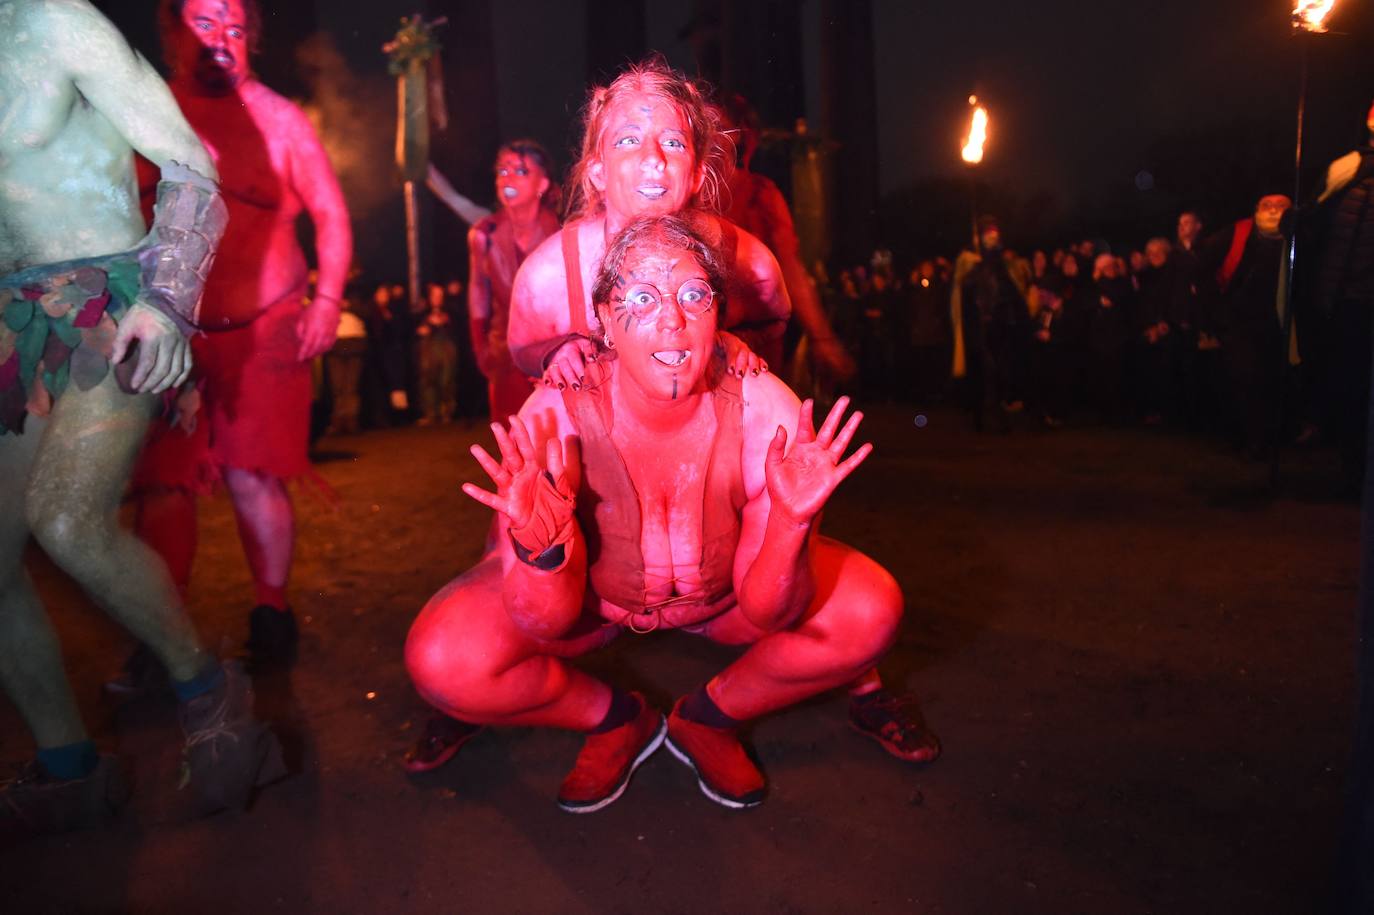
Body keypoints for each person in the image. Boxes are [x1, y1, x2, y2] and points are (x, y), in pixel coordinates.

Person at [406, 215, 937, 812]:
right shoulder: (555, 416)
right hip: (593, 610)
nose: (672, 320)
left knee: (869, 610)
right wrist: (542, 549)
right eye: (641, 298)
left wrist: (790, 524)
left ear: (718, 313)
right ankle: (615, 720)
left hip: (725, 606)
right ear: (605, 320)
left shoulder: (766, 410)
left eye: (693, 295)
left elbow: (770, 610)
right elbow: (546, 622)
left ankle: (709, 718)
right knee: (445, 658)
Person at [0, 0, 283, 830]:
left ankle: (209, 689)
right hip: (15, 326)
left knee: (66, 518)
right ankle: (69, 767)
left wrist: (165, 301)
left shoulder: (54, 21)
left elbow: (191, 164)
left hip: (114, 302)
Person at [127, 0, 353, 669]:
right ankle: (160, 631)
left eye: (234, 27)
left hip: (267, 327)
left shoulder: (280, 119)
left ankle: (271, 610)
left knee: (255, 476)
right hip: (169, 327)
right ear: (173, 32)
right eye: (205, 23)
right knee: (164, 484)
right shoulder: (144, 110)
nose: (222, 38)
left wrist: (327, 300)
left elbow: (331, 214)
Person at [505, 57, 784, 393]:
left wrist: (733, 342)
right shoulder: (548, 276)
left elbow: (774, 322)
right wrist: (554, 352)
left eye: (673, 143)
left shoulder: (748, 263)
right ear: (598, 172)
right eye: (628, 140)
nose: (653, 158)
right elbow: (521, 349)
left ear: (697, 174)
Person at [717, 93, 854, 384]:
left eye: (719, 127)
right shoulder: (682, 191)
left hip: (747, 345)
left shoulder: (759, 195)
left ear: (739, 135)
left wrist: (822, 337)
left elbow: (790, 269)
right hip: (705, 342)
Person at [467, 140, 562, 421]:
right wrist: (480, 346)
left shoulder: (563, 231)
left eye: (520, 171)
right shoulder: (484, 234)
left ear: (542, 184)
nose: (507, 178)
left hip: (553, 354)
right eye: (502, 171)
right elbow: (478, 291)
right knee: (512, 434)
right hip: (505, 354)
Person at [416, 282, 458, 425]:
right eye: (435, 295)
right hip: (429, 348)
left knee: (447, 379)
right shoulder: (421, 312)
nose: (438, 298)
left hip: (446, 347)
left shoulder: (451, 311)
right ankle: (430, 412)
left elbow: (458, 328)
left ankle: (447, 412)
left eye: (440, 295)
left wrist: (445, 321)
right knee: (428, 379)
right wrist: (426, 327)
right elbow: (414, 329)